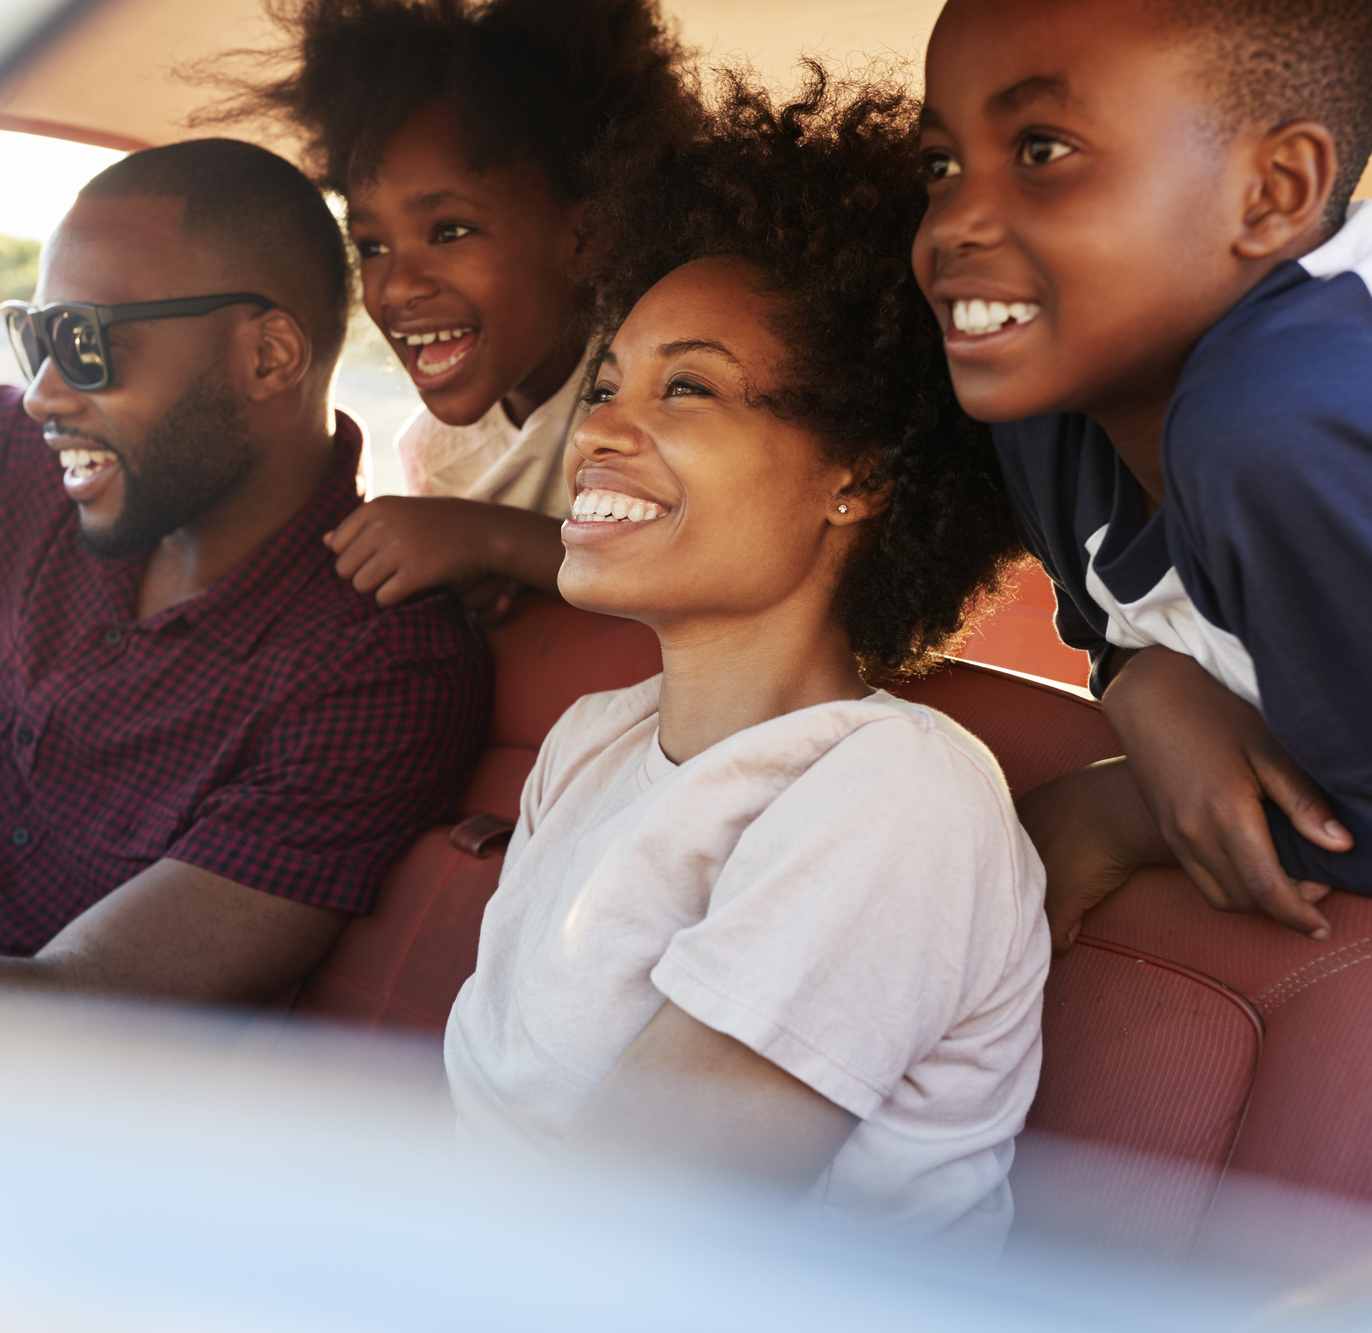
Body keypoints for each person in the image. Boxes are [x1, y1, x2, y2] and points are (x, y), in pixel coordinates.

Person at [0, 139, 491, 1033]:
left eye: (83, 342)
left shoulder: (379, 667)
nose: (40, 392)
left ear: (268, 357)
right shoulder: (21, 471)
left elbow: (87, 1002)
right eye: (32, 335)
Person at [443, 68, 1043, 1252]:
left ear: (858, 473)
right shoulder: (592, 741)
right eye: (607, 382)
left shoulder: (890, 795)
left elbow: (621, 1246)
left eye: (688, 388)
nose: (600, 427)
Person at [913, 0, 1372, 947]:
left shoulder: (1281, 425)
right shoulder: (1054, 410)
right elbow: (1121, 611)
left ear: (1273, 191)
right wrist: (1142, 677)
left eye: (1043, 151)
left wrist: (1115, 813)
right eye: (939, 165)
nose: (955, 222)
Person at [215, 0, 699, 621]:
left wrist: (492, 539)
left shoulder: (671, 381)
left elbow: (707, 570)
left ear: (589, 234)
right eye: (372, 246)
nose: (396, 287)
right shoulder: (436, 452)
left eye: (448, 231)